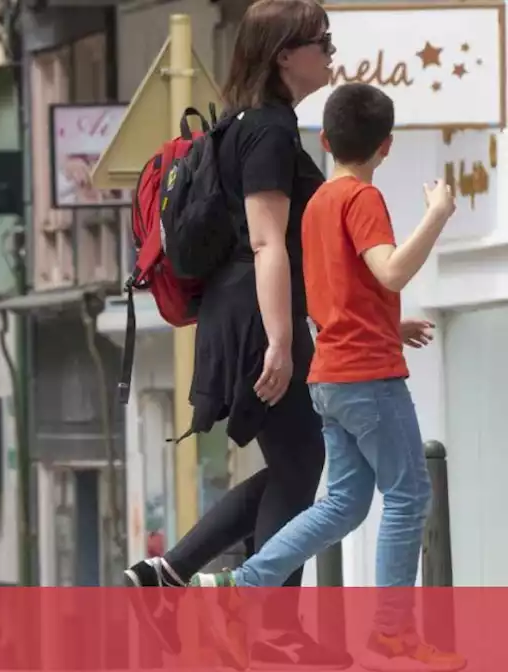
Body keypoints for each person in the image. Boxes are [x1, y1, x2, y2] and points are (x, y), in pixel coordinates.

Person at [189, 83, 466, 671]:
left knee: (342, 503)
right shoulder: (361, 199)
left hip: (329, 374)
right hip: (368, 378)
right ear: (385, 146)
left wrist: (389, 327)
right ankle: (391, 632)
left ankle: (242, 585)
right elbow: (389, 271)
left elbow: (333, 296)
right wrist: (437, 216)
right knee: (410, 492)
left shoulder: (314, 205)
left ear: (325, 140)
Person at [122, 0, 351, 667]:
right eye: (321, 41)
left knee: (295, 466)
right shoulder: (269, 133)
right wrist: (281, 339)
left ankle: (168, 578)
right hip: (256, 316)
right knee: (303, 465)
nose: (330, 52)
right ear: (285, 54)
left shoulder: (243, 125)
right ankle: (266, 623)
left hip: (240, 312)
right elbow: (265, 240)